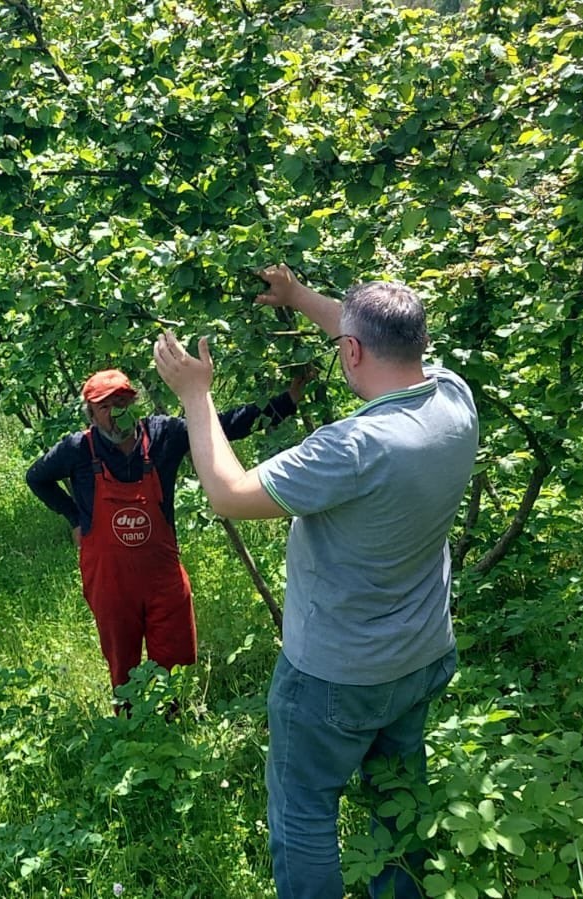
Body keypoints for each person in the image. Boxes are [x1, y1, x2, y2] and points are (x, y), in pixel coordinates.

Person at [152, 264, 478, 899]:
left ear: (350, 352)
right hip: (420, 656)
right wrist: (300, 298)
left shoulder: (352, 446)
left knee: (305, 813)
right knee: (399, 801)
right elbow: (375, 338)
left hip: (335, 674)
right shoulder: (452, 398)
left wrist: (196, 394)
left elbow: (228, 494)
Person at [25, 363, 310, 700]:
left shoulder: (162, 435)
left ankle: (174, 723)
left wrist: (290, 399)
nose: (115, 413)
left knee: (176, 663)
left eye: (121, 403)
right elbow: (36, 478)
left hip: (162, 575)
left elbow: (223, 426)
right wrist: (73, 517)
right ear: (90, 414)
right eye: (104, 406)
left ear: (132, 404)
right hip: (109, 581)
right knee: (122, 663)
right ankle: (129, 727)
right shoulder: (76, 450)